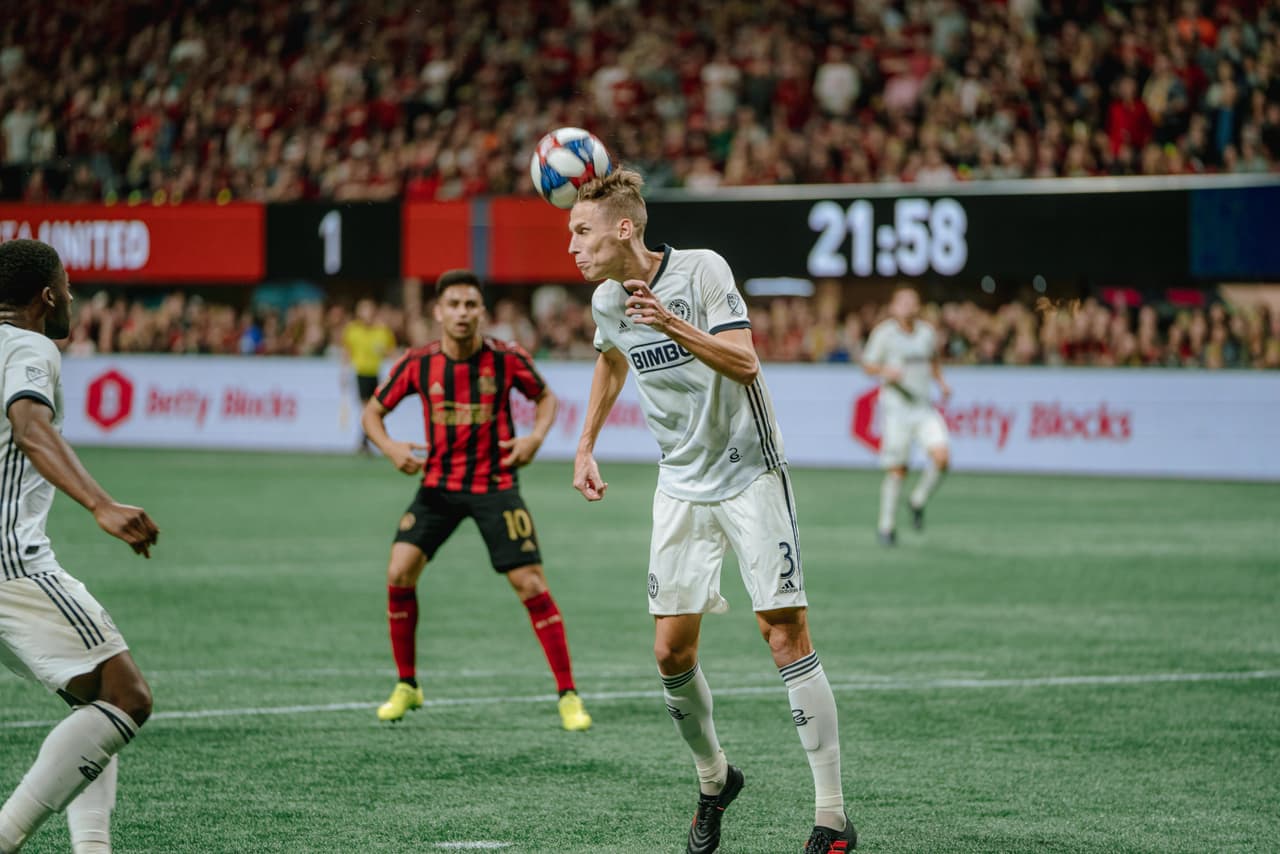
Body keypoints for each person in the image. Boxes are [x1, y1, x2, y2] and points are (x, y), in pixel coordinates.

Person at [569, 171, 855, 854]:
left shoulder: (702, 272)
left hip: (749, 473)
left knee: (782, 632)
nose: (572, 247)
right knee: (670, 652)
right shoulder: (606, 300)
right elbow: (611, 360)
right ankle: (714, 779)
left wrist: (668, 321)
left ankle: (834, 818)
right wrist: (585, 445)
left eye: (581, 231)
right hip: (680, 484)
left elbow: (747, 363)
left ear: (624, 228)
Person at [361, 270, 591, 731]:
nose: (463, 313)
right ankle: (407, 685)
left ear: (482, 312)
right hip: (439, 487)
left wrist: (535, 439)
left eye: (471, 305)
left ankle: (568, 694)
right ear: (438, 312)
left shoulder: (506, 359)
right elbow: (373, 412)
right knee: (399, 570)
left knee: (530, 583)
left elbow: (545, 399)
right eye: (454, 305)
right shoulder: (419, 363)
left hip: (496, 485)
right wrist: (390, 448)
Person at [0, 239, 160, 853]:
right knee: (126, 698)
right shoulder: (29, 345)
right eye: (66, 287)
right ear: (47, 296)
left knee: (92, 704)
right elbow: (30, 426)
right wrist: (100, 503)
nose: (71, 298)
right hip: (10, 563)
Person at [861, 286, 952, 545]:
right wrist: (885, 371)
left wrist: (942, 382)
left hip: (923, 406)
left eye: (912, 301)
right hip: (897, 408)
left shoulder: (926, 333)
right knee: (898, 469)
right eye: (903, 302)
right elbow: (868, 365)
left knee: (942, 458)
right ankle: (886, 526)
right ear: (893, 306)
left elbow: (933, 360)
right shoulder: (884, 333)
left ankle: (917, 500)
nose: (908, 306)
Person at [343, 299, 397, 453]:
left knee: (373, 408)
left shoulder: (382, 331)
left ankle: (366, 439)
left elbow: (390, 351)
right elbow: (347, 352)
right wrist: (344, 372)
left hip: (375, 373)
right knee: (367, 407)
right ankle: (367, 439)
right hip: (361, 373)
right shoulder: (352, 330)